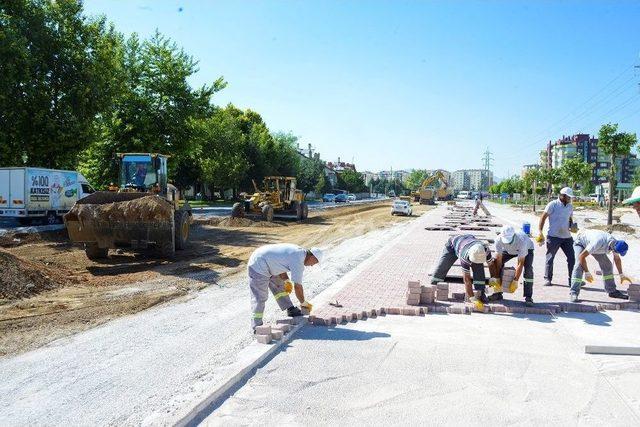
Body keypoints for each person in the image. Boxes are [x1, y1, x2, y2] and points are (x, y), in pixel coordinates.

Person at [248, 244, 323, 329]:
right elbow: (298, 287)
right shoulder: (298, 260)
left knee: (280, 286)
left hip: (265, 260)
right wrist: (303, 303)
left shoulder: (298, 253)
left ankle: (290, 309)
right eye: (315, 262)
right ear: (312, 257)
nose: (312, 265)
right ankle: (256, 326)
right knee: (260, 297)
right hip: (258, 265)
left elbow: (279, 264)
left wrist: (286, 280)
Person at [431, 234, 499, 311]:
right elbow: (467, 280)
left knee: (479, 268)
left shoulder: (485, 250)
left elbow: (491, 265)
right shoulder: (464, 257)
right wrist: (473, 299)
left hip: (472, 245)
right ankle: (433, 287)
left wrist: (494, 281)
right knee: (442, 267)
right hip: (452, 246)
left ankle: (480, 293)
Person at [570, 230, 630, 302]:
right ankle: (574, 293)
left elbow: (617, 259)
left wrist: (621, 275)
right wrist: (587, 272)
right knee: (578, 265)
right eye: (617, 252)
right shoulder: (597, 242)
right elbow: (581, 257)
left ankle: (612, 291)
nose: (617, 254)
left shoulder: (616, 244)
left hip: (596, 247)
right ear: (614, 249)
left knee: (607, 265)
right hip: (581, 243)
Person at [537, 187, 575, 287]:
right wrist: (540, 232)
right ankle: (547, 278)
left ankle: (572, 279)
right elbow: (543, 217)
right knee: (550, 257)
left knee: (572, 258)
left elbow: (570, 219)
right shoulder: (553, 204)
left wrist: (572, 226)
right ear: (562, 196)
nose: (570, 199)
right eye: (568, 197)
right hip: (553, 236)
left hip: (567, 237)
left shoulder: (570, 206)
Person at [491, 225, 535, 307]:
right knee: (494, 263)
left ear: (513, 235)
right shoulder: (498, 240)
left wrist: (515, 281)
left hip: (527, 249)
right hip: (508, 250)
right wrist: (496, 278)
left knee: (528, 270)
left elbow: (520, 263)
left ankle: (528, 297)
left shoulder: (522, 240)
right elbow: (499, 261)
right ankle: (497, 293)